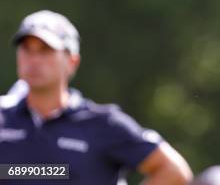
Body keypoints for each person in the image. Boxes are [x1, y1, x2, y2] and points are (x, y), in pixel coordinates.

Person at [0, 10, 193, 185]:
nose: (34, 60)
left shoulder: (103, 124)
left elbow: (174, 171)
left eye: (45, 50)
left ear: (72, 61)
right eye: (26, 49)